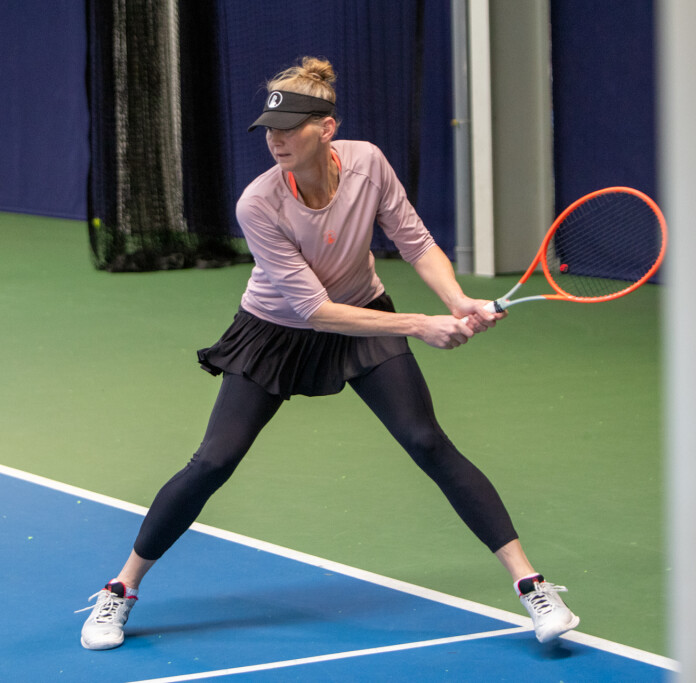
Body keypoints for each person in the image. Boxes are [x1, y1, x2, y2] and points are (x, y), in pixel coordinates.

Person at [79, 56, 579, 651]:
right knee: (213, 461)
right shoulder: (258, 203)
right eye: (269, 129)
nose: (277, 140)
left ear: (327, 127)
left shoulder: (367, 163)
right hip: (275, 331)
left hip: (365, 311)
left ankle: (532, 588)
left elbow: (415, 241)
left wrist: (458, 298)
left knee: (427, 441)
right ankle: (120, 589)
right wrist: (421, 323)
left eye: (290, 127)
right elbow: (313, 311)